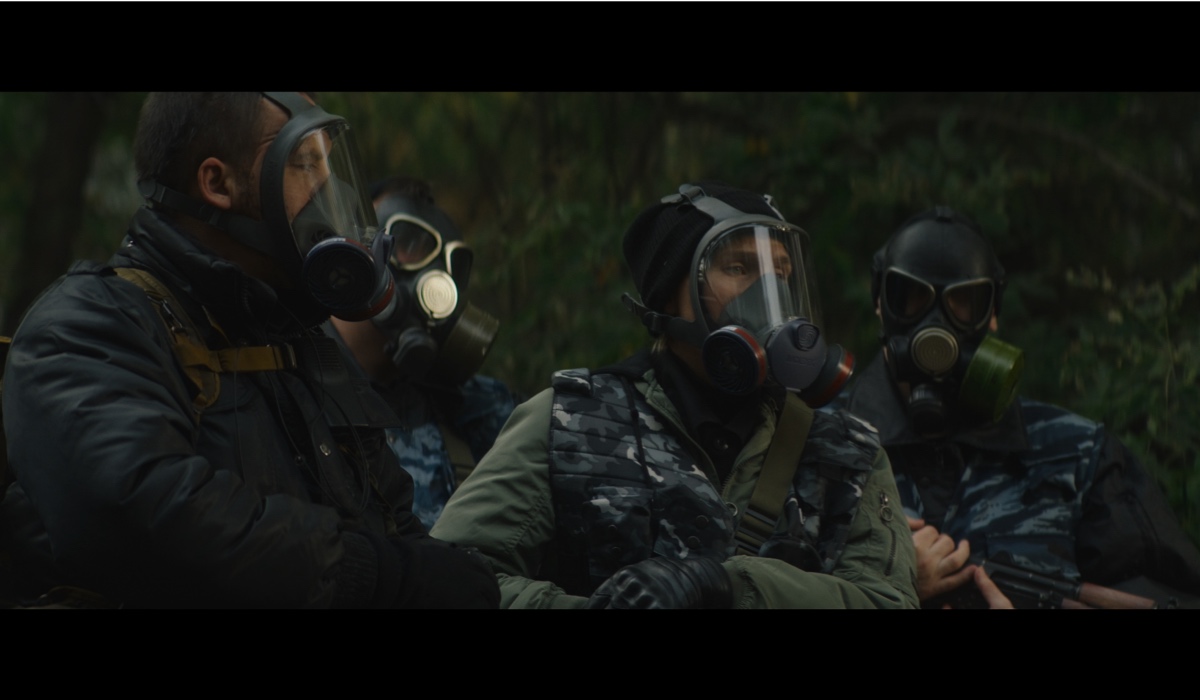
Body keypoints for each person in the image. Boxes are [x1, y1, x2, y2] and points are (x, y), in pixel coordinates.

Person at [0, 92, 500, 609]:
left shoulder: (303, 342)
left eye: (329, 164)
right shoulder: (88, 327)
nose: (331, 189)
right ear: (218, 184)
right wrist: (374, 574)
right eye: (305, 163)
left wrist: (442, 576)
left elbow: (394, 525)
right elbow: (143, 516)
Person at [430, 181, 919, 609]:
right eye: (739, 267)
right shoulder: (566, 423)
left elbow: (888, 600)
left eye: (782, 274)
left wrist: (730, 587)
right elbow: (445, 579)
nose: (770, 295)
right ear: (669, 294)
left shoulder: (844, 452)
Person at [840, 205, 1200, 608]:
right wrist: (882, 590)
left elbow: (1173, 597)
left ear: (992, 314)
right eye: (911, 297)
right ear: (880, 303)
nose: (936, 326)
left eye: (963, 302)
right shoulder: (819, 444)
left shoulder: (1077, 456)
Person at [327, 176, 517, 530]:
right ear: (354, 251)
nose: (434, 279)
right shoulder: (296, 392)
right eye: (407, 244)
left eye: (450, 264)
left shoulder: (475, 410)